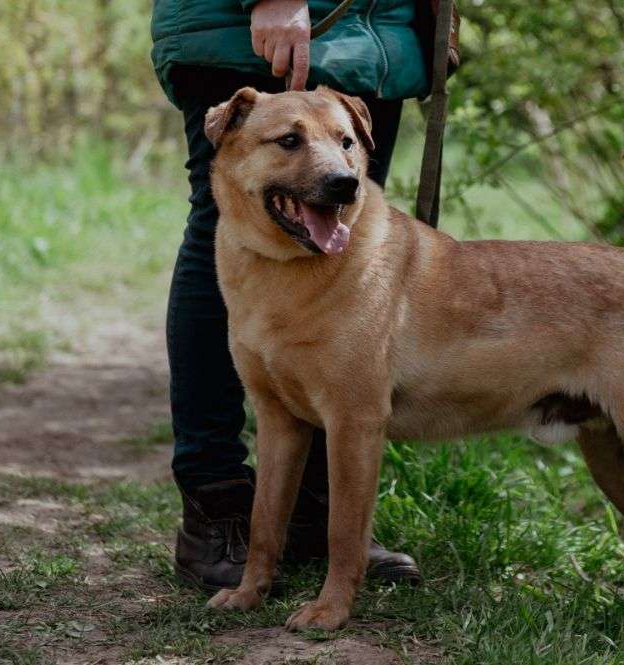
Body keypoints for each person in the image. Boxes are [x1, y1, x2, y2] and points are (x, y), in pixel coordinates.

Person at [150, 0, 429, 590]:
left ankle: (315, 517)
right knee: (223, 221)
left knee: (342, 218)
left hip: (372, 36)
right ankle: (216, 510)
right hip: (256, 25)